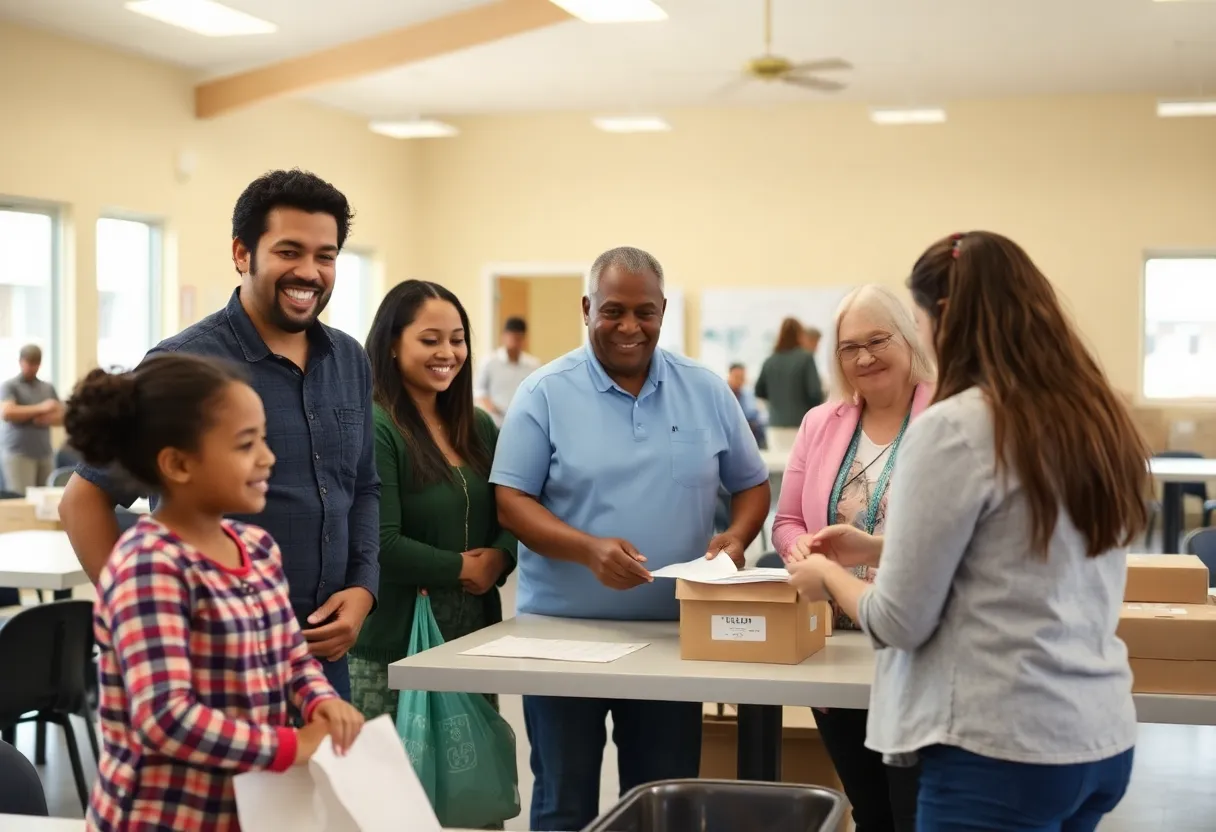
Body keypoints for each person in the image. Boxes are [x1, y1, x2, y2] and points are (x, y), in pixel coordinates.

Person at [789, 232, 1148, 832]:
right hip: (1098, 736)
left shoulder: (952, 427)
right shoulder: (1092, 417)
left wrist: (826, 574)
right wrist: (880, 547)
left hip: (999, 746)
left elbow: (899, 621)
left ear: (944, 317)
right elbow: (1021, 550)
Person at [57, 169, 380, 701]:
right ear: (241, 252)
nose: (310, 271)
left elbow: (362, 487)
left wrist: (363, 589)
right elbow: (83, 501)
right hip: (212, 668)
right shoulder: (186, 364)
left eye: (325, 256)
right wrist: (146, 622)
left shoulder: (348, 358)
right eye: (289, 251)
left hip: (320, 662)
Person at [491, 246, 771, 832]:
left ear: (663, 311)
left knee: (666, 803)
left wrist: (738, 538)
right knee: (564, 804)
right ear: (587, 308)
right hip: (560, 637)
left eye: (644, 312)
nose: (628, 327)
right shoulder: (544, 392)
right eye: (613, 311)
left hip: (674, 634)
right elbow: (511, 502)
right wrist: (586, 549)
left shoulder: (705, 389)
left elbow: (750, 485)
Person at [63, 354, 365, 832]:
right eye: (246, 445)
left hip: (242, 811)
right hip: (159, 820)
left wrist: (318, 700)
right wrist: (293, 745)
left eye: (263, 439)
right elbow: (166, 716)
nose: (268, 457)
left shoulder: (257, 548)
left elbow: (290, 657)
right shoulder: (149, 565)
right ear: (178, 464)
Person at [771, 285, 935, 832]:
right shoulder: (823, 423)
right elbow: (789, 518)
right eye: (849, 347)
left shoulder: (946, 414)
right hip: (837, 644)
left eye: (878, 340)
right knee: (870, 809)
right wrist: (799, 550)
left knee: (916, 812)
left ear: (909, 338)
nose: (864, 357)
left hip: (918, 648)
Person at [350, 280, 517, 730]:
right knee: (394, 795)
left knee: (466, 789)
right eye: (430, 340)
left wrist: (501, 556)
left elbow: (514, 506)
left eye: (457, 340)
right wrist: (464, 568)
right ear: (390, 346)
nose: (448, 352)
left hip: (471, 641)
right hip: (395, 647)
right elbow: (379, 542)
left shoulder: (476, 425)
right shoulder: (376, 424)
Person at [1, 344, 63, 493]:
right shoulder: (10, 386)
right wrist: (41, 408)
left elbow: (61, 415)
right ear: (21, 361)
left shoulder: (47, 388)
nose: (31, 367)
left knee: (46, 500)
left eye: (35, 364)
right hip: (18, 453)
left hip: (44, 452)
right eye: (28, 363)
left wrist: (45, 418)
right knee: (21, 498)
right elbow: (7, 413)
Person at [755, 317, 824, 447]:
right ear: (800, 334)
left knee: (779, 466)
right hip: (800, 425)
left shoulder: (770, 361)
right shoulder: (806, 358)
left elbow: (759, 391)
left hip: (775, 426)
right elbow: (815, 393)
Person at [476, 316, 540, 426]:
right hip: (494, 422)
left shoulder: (533, 365)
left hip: (522, 422)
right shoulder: (489, 361)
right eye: (511, 337)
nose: (514, 342)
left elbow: (537, 393)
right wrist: (491, 407)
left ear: (523, 339)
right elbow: (479, 391)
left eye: (518, 338)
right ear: (503, 337)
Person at [726, 362, 766, 449]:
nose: (739, 381)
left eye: (742, 378)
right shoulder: (722, 394)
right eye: (737, 377)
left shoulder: (748, 394)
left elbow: (754, 414)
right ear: (729, 376)